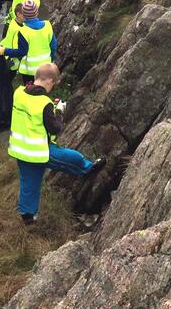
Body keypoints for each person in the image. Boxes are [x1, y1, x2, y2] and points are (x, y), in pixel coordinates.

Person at [8, 62, 103, 224]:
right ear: (49, 81)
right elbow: (54, 129)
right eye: (54, 84)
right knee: (70, 157)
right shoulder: (44, 103)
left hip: (19, 149)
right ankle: (88, 168)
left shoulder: (19, 93)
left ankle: (27, 215)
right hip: (37, 151)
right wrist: (59, 111)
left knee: (29, 182)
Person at [0, 0, 55, 81]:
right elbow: (53, 46)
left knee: (30, 92)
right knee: (41, 91)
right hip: (45, 68)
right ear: (37, 13)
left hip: (30, 70)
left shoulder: (23, 31)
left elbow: (21, 52)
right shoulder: (47, 25)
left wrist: (4, 51)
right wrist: (51, 59)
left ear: (24, 15)